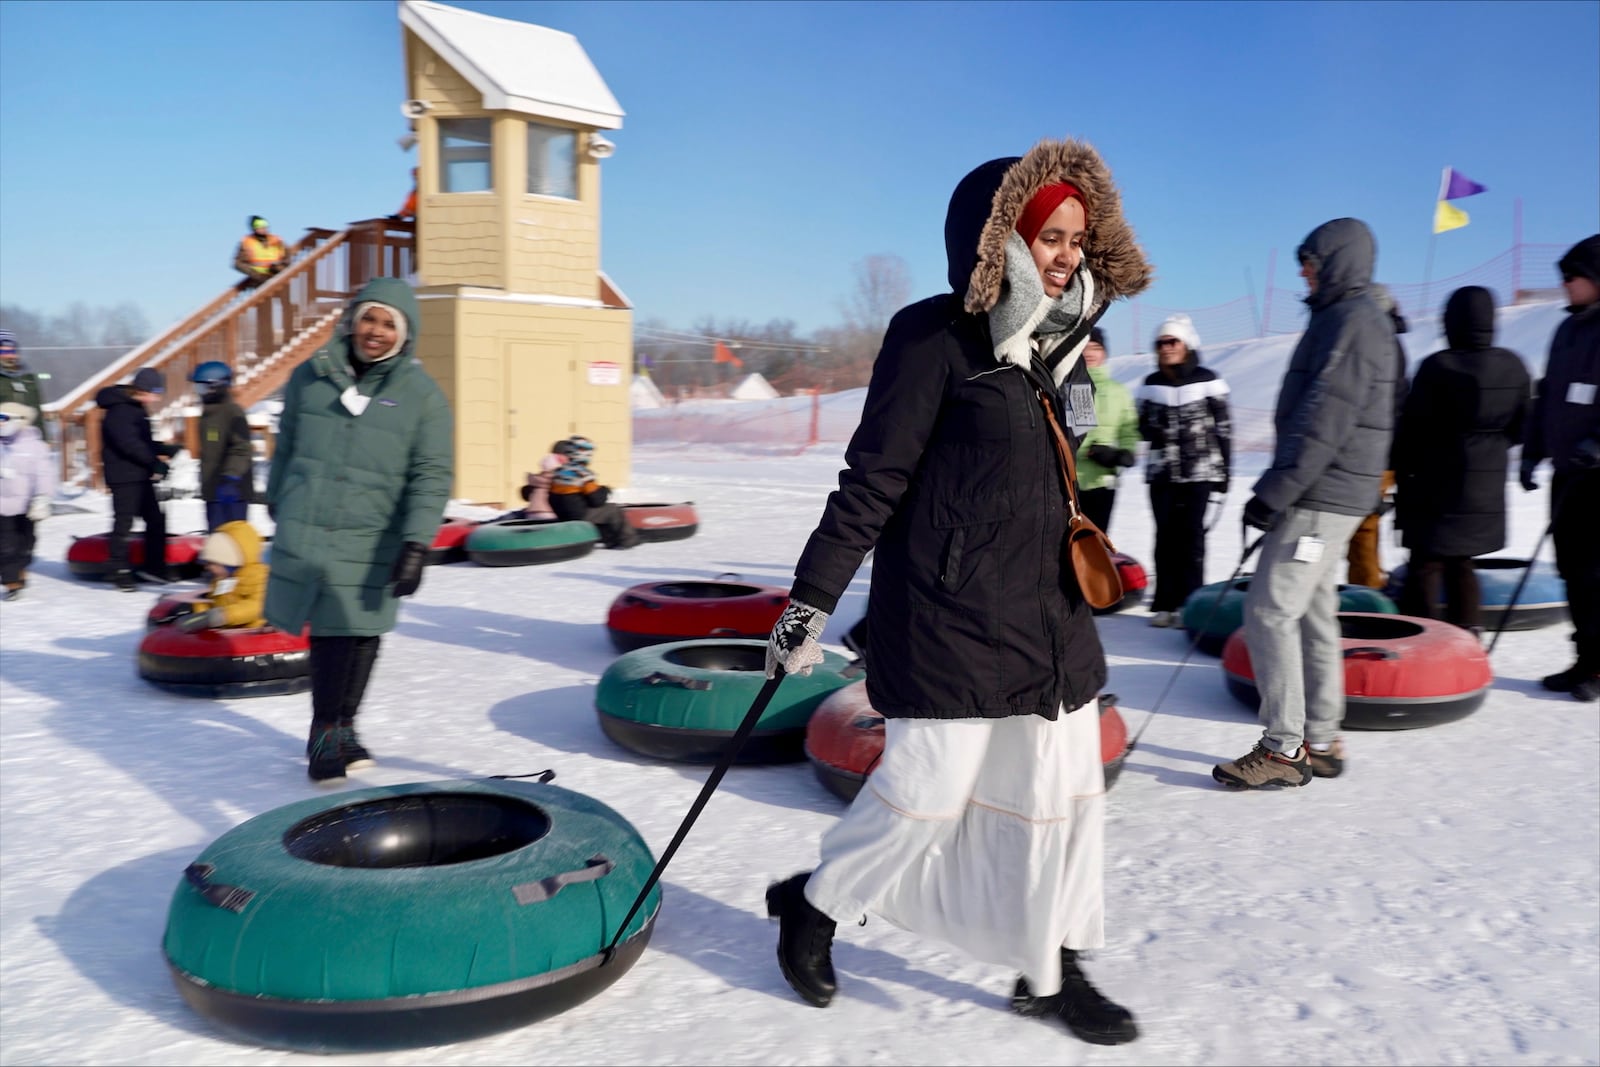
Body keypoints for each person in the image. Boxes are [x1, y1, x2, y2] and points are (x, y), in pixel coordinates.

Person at [761, 138, 1152, 1045]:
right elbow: (873, 480)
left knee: (1060, 803)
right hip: (949, 618)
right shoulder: (932, 336)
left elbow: (1062, 479)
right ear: (1000, 235)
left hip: (1048, 620)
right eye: (1047, 235)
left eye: (1074, 239)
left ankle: (1050, 968)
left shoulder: (1067, 350)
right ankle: (813, 908)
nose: (1062, 255)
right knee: (924, 796)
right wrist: (810, 599)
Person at [1214, 218, 1397, 790]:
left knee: (1269, 611)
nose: (1303, 270)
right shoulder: (1351, 319)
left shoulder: (1351, 322)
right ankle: (1320, 737)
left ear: (1337, 261)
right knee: (1314, 613)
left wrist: (1274, 492)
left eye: (1311, 260)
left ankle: (1283, 747)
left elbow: (1323, 421)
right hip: (1332, 495)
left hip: (1320, 497)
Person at [264, 278, 453, 784]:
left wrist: (418, 542)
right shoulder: (310, 377)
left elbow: (432, 473)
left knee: (366, 632)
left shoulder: (422, 396)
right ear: (352, 319)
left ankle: (345, 728)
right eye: (370, 318)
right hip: (314, 523)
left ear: (405, 334)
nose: (376, 331)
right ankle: (324, 733)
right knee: (331, 630)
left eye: (389, 323)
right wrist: (278, 497)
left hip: (376, 535)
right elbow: (285, 445)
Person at [1392, 286, 1531, 636]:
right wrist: (1490, 449)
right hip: (1485, 485)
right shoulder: (1513, 365)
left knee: (1426, 562)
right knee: (1461, 562)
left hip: (1435, 482)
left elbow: (1412, 427)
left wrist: (1401, 468)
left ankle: (1421, 638)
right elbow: (1523, 425)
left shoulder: (1438, 366)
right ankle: (1468, 634)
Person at [1519, 234, 1600, 702]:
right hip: (1568, 473)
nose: (1565, 284)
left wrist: (1598, 442)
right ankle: (1585, 659)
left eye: (1573, 276)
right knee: (1572, 569)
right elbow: (1547, 395)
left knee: (1595, 572)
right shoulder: (1568, 330)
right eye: (1563, 277)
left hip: (1598, 475)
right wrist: (1533, 450)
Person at [1135, 312, 1231, 626]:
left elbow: (1224, 429)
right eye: (1160, 342)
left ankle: (1191, 605)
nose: (1166, 347)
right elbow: (1141, 427)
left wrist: (1224, 475)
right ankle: (1165, 604)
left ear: (1186, 343)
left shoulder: (1209, 379)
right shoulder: (1150, 384)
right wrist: (1154, 430)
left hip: (1200, 473)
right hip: (1162, 475)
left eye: (1172, 341)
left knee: (1192, 539)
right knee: (1164, 538)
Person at [1344, 284, 1411, 589]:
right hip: (1372, 453)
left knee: (1363, 531)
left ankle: (1368, 600)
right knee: (1359, 532)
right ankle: (1362, 590)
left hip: (1374, 455)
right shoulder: (1383, 344)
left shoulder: (1382, 346)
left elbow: (1381, 406)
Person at [97, 367, 181, 591]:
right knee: (124, 522)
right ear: (143, 390)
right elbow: (129, 444)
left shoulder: (136, 408)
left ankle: (153, 567)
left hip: (139, 474)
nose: (157, 398)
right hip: (124, 476)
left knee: (155, 519)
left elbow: (141, 441)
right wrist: (153, 461)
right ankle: (118, 570)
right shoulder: (119, 410)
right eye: (156, 393)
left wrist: (162, 448)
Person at [1074, 327, 1139, 535]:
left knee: (1098, 543)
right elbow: (1077, 434)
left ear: (1104, 353)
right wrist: (1093, 451)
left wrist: (1124, 452)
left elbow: (1128, 429)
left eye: (1096, 347)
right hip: (1074, 482)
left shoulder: (1118, 391)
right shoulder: (1077, 387)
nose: (1090, 352)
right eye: (1085, 347)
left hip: (1104, 482)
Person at [159, 520, 269, 631]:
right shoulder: (221, 580)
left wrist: (220, 616)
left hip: (256, 633)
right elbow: (216, 606)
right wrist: (194, 609)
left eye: (213, 563)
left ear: (230, 562)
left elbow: (257, 607)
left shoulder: (260, 577)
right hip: (230, 631)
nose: (208, 568)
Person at [0, 402, 56, 602]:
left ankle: (20, 567)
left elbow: (44, 474)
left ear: (20, 420)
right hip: (2, 507)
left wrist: (42, 498)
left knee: (27, 543)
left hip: (26, 506)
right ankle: (11, 581)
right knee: (5, 545)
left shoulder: (35, 447)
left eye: (3, 418)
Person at [191, 361, 255, 530]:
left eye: (202, 388)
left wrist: (231, 477)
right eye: (197, 388)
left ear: (217, 387)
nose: (199, 394)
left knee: (231, 543)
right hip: (213, 491)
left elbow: (241, 448)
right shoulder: (207, 414)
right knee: (216, 544)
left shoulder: (232, 412)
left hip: (232, 492)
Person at [548, 436, 640, 548]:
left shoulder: (558, 472)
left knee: (598, 512)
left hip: (561, 514)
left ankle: (609, 538)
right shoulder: (582, 474)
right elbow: (597, 500)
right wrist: (604, 490)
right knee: (612, 510)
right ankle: (628, 539)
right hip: (578, 515)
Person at [0, 330, 50, 444]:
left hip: (27, 442)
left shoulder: (28, 378)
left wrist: (44, 440)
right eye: (4, 351)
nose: (9, 355)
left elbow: (37, 410)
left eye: (12, 351)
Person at [234, 216, 288, 290]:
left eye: (265, 227)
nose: (264, 229)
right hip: (260, 282)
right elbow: (238, 263)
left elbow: (287, 256)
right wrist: (257, 276)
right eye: (260, 227)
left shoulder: (276, 240)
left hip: (279, 276)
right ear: (254, 228)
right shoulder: (247, 243)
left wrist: (280, 268)